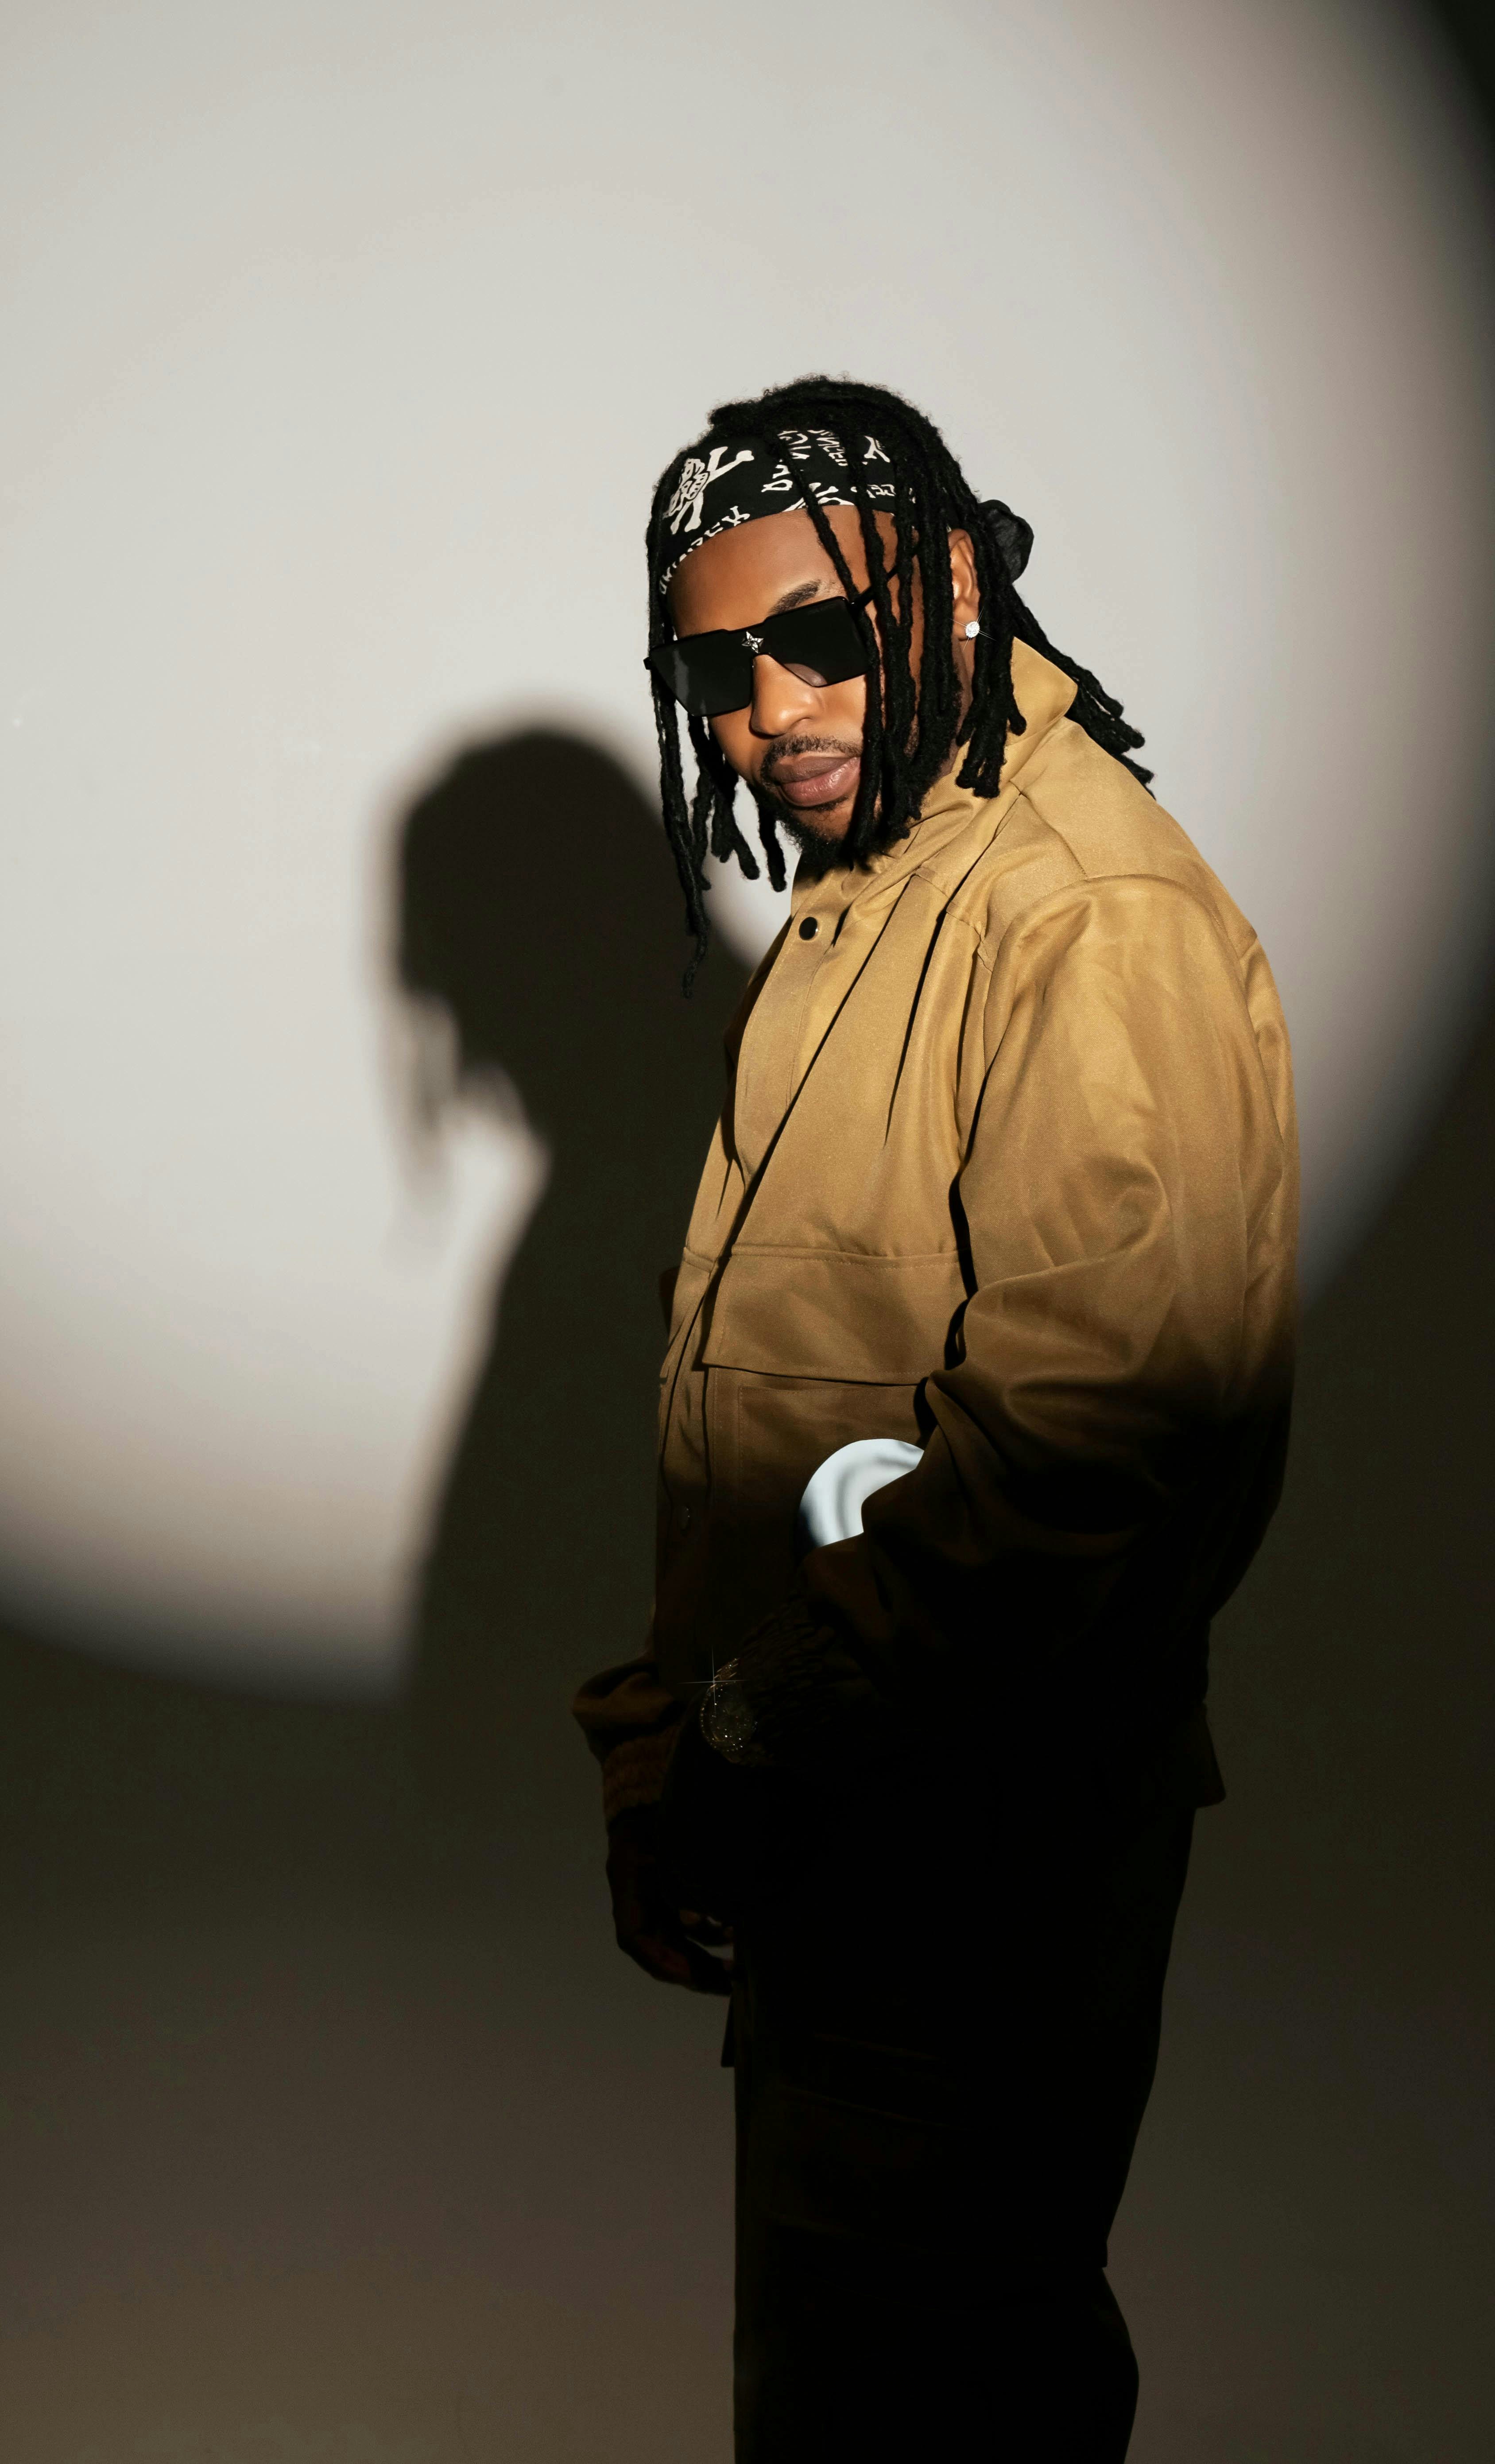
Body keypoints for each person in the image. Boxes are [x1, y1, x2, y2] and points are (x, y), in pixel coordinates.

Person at [573, 377, 1297, 2460]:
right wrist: (670, 1747)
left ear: (955, 587)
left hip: (976, 1837)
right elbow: (772, 1404)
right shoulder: (882, 886)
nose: (764, 712)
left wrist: (733, 1734)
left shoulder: (1082, 914)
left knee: (931, 2394)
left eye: (818, 637)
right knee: (850, 2389)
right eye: (714, 671)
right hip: (847, 1812)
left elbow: (1083, 1463)